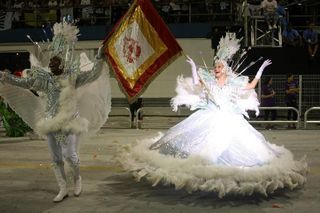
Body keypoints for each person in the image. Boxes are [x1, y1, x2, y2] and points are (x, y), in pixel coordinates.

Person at [119, 33, 307, 198]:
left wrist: (260, 71)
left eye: (219, 66)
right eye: (215, 66)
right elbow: (196, 82)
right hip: (208, 116)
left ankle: (227, 172)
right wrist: (193, 67)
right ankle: (200, 172)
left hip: (229, 119)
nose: (216, 68)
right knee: (198, 144)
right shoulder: (209, 82)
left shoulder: (233, 83)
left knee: (235, 147)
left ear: (225, 69)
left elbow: (249, 87)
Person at [0, 20, 111, 202]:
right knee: (55, 158)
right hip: (50, 121)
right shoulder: (44, 79)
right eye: (51, 61)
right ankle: (62, 188)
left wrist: (99, 59)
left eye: (56, 61)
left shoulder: (73, 77)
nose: (52, 63)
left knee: (71, 156)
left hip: (69, 121)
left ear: (62, 63)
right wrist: (5, 77)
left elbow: (93, 75)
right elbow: (24, 83)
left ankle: (77, 179)